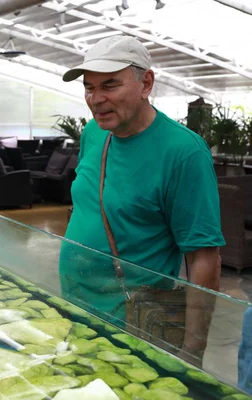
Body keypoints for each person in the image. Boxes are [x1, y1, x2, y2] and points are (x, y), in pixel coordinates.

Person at [58, 35, 225, 364]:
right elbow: (92, 204)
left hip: (134, 326)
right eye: (89, 87)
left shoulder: (183, 152)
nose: (96, 99)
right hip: (76, 310)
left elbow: (204, 257)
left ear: (146, 82)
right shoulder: (95, 133)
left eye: (110, 85)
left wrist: (192, 350)